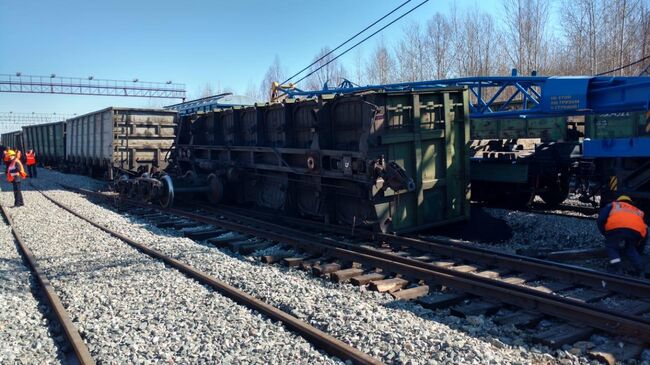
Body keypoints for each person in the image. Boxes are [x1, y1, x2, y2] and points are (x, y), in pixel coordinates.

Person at [597, 195, 648, 277]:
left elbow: (601, 219)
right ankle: (640, 269)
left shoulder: (613, 205)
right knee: (630, 249)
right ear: (630, 202)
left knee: (612, 247)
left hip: (616, 227)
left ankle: (617, 267)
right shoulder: (637, 210)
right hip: (636, 230)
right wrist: (639, 244)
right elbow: (645, 228)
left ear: (618, 200)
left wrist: (605, 232)